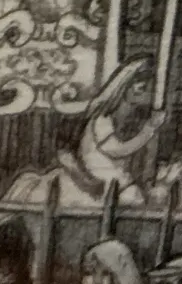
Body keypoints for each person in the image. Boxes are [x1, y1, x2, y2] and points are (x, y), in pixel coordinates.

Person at [63, 56, 166, 206]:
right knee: (134, 198)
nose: (144, 94)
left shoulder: (118, 118)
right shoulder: (102, 119)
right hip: (105, 181)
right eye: (141, 87)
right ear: (124, 86)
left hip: (115, 181)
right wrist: (149, 129)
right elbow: (116, 150)